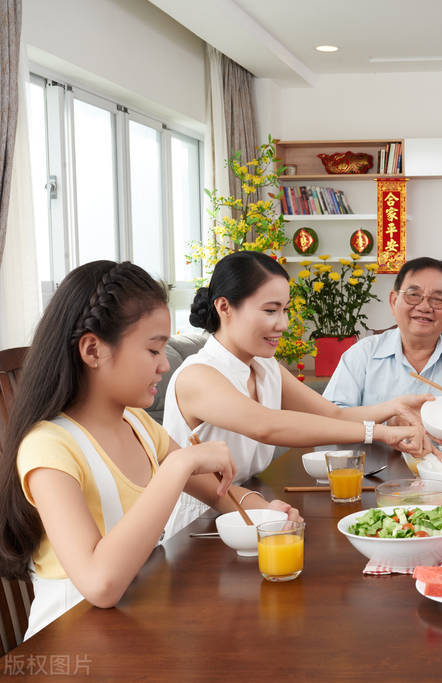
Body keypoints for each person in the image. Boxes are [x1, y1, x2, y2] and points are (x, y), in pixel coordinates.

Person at [0, 261, 300, 639]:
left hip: (134, 628)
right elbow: (100, 585)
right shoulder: (49, 448)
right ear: (93, 350)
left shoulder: (138, 426)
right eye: (153, 350)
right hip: (72, 641)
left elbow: (222, 493)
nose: (164, 366)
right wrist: (179, 467)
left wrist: (266, 511)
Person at [163, 251, 436, 537]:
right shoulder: (199, 375)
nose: (283, 324)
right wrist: (378, 432)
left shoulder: (265, 366)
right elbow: (266, 426)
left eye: (285, 309)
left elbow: (333, 413)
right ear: (224, 307)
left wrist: (394, 406)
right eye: (270, 311)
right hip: (198, 526)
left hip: (247, 510)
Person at [323, 257, 442, 442]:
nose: (424, 307)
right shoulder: (362, 354)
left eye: (437, 299)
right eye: (413, 295)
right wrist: (387, 425)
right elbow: (330, 420)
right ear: (393, 301)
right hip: (373, 467)